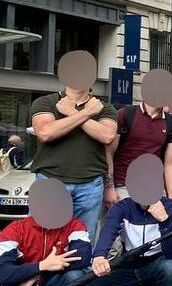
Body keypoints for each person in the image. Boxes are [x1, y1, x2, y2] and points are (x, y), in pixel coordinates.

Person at [30, 71, 118, 242]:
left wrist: (70, 112)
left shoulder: (104, 107)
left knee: (83, 241)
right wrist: (85, 113)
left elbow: (107, 135)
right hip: (50, 181)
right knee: (41, 241)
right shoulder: (46, 102)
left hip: (90, 185)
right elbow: (46, 132)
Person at [106, 100, 172, 205]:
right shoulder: (125, 115)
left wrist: (171, 199)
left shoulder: (170, 122)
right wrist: (109, 188)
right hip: (123, 188)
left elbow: (170, 163)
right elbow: (108, 153)